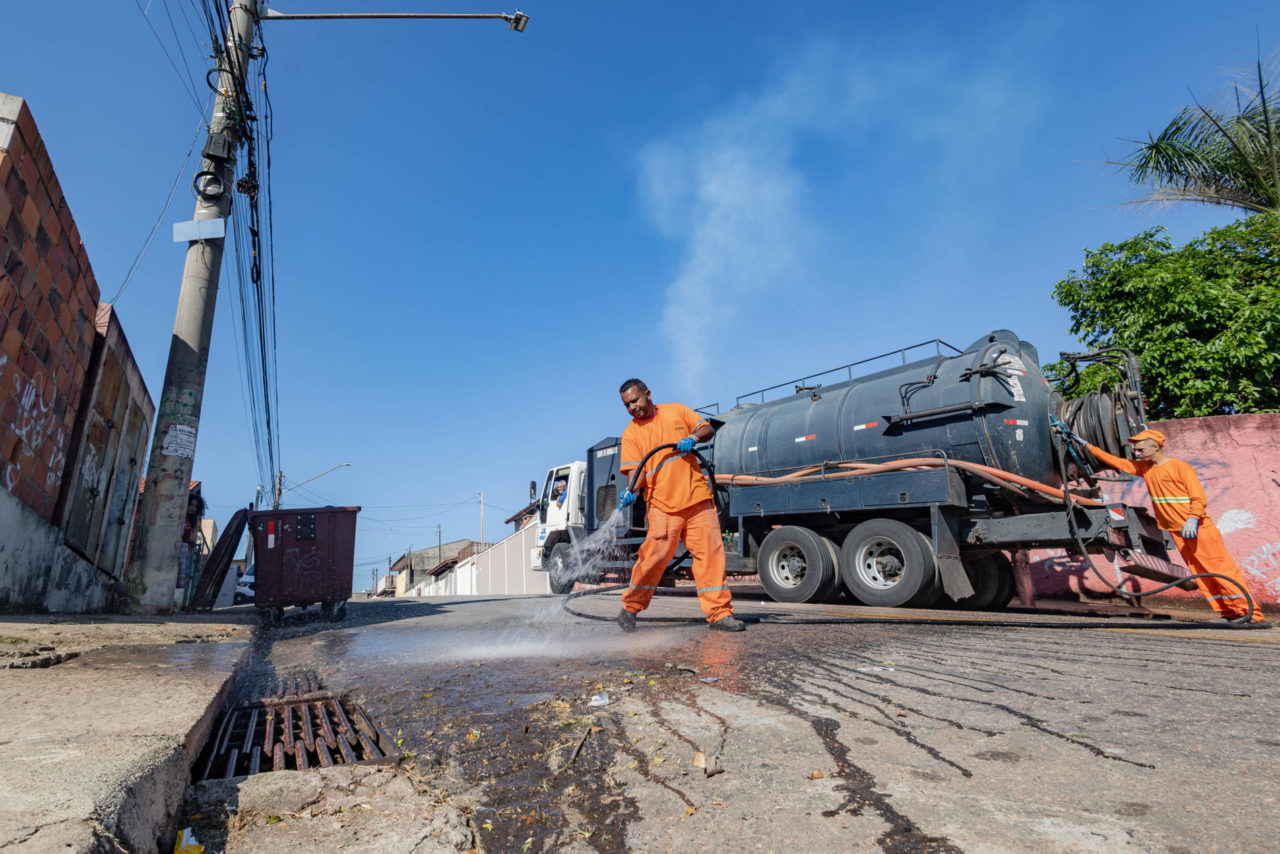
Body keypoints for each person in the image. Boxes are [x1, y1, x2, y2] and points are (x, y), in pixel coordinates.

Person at [1080, 428, 1265, 624]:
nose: (1137, 453)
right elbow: (1121, 464)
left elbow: (1197, 497)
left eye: (1141, 449)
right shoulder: (1147, 469)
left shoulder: (1179, 467)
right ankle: (1228, 613)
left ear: (1156, 446)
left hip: (1198, 530)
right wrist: (1089, 447)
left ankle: (1250, 613)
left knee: (1221, 570)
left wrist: (1193, 518)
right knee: (1202, 574)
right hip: (1179, 532)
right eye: (1136, 449)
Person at [615, 378, 743, 632]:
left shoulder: (676, 410)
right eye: (627, 405)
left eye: (635, 400)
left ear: (648, 394)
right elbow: (636, 471)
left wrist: (693, 437)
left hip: (697, 498)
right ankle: (630, 608)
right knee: (653, 558)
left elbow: (706, 429)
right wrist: (631, 490)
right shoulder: (631, 433)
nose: (632, 408)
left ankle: (719, 614)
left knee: (710, 556)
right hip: (661, 504)